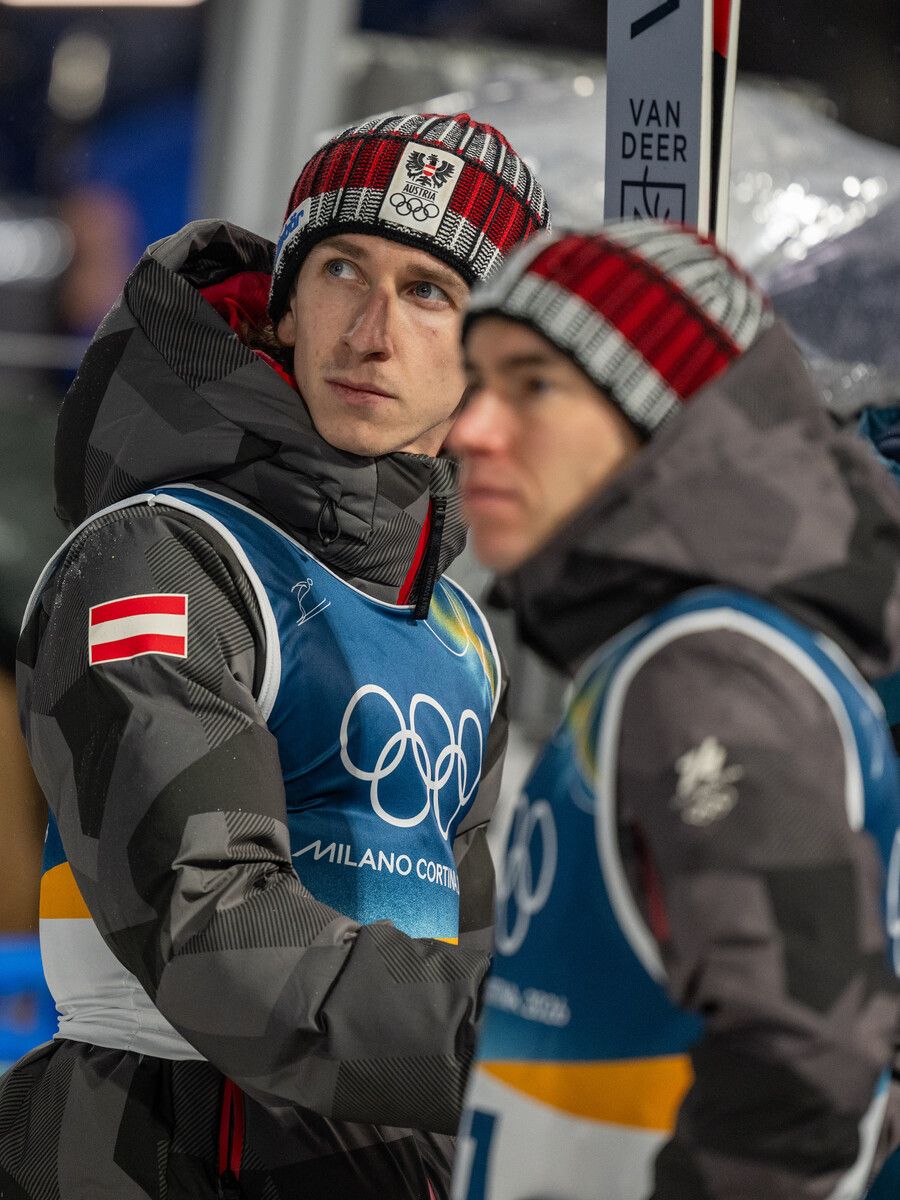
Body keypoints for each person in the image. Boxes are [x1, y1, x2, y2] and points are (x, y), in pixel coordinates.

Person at [0, 112, 548, 1200]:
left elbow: (466, 951)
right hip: (158, 1147)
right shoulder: (160, 554)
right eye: (346, 270)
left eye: (431, 292)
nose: (374, 331)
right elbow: (213, 934)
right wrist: (542, 1039)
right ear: (289, 304)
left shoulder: (457, 632)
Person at [446, 222, 900, 1200]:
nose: (470, 429)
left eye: (533, 384)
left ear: (659, 417)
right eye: (476, 383)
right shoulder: (676, 651)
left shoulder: (707, 668)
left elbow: (806, 1063)